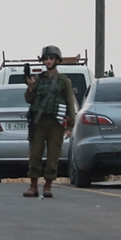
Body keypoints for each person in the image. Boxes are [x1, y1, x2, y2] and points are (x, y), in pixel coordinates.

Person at [24, 45, 76, 198]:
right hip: (39, 122)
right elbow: (29, 99)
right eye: (46, 58)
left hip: (56, 124)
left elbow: (70, 104)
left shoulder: (64, 81)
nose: (48, 61)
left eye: (51, 58)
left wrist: (70, 126)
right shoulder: (38, 79)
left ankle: (48, 186)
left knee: (53, 155)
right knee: (35, 154)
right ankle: (33, 186)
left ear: (57, 60)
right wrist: (30, 87)